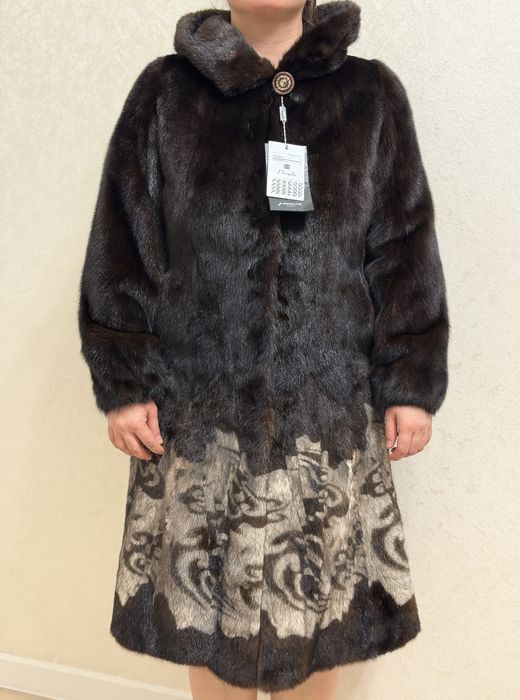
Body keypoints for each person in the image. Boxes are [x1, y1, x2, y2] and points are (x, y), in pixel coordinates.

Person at [77, 0, 450, 698]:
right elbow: (124, 239)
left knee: (321, 610)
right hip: (198, 411)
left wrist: (409, 381)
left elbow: (403, 244)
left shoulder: (369, 94)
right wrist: (125, 382)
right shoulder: (167, 92)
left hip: (328, 412)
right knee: (203, 608)